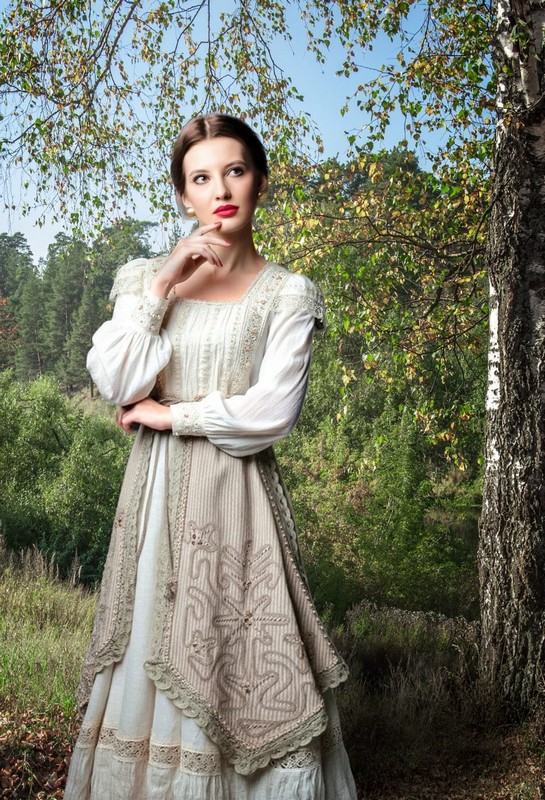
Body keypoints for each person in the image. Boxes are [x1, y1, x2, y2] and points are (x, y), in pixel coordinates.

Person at [64, 113, 357, 800]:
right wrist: (164, 282)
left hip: (238, 496)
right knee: (151, 644)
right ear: (182, 195)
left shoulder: (286, 292)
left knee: (240, 652)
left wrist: (170, 414)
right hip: (154, 498)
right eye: (201, 178)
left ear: (260, 181)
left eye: (235, 171)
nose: (220, 190)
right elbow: (117, 380)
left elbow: (271, 414)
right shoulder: (143, 278)